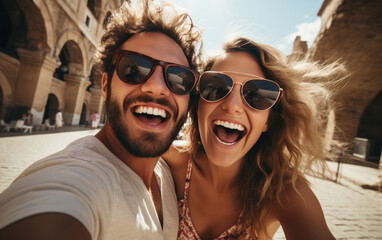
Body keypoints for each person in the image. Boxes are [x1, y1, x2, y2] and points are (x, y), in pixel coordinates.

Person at [0, 1, 202, 239]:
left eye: (178, 78)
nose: (156, 87)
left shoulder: (167, 172)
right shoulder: (78, 177)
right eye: (134, 68)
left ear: (189, 100)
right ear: (105, 85)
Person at [163, 37, 343, 239]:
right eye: (216, 87)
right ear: (198, 105)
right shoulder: (167, 162)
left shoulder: (283, 192)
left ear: (268, 121)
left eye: (257, 94)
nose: (232, 105)